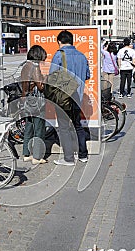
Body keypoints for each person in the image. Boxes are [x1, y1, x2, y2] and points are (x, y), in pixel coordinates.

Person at [49, 30, 90, 166]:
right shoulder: (82, 56)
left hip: (63, 97)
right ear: (72, 41)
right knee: (78, 126)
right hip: (77, 96)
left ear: (59, 42)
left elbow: (52, 76)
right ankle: (83, 155)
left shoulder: (59, 55)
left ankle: (68, 158)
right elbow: (88, 75)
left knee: (64, 127)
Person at [21, 45, 48, 165]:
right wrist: (46, 78)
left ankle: (26, 154)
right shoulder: (35, 67)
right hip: (37, 102)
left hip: (27, 100)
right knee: (39, 129)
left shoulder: (25, 66)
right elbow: (40, 86)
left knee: (29, 127)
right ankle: (37, 156)